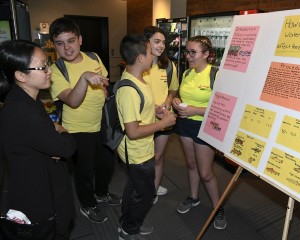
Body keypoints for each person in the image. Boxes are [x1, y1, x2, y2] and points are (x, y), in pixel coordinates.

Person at [0, 40, 76, 239]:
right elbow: (66, 148)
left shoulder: (23, 99)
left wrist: (52, 135)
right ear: (20, 75)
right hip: (36, 196)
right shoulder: (21, 110)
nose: (49, 70)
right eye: (42, 67)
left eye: (48, 64)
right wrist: (61, 129)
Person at [48, 17, 121, 224]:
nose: (67, 47)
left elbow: (104, 83)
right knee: (84, 171)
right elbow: (72, 101)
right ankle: (88, 204)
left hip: (102, 123)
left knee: (107, 164)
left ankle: (101, 193)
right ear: (54, 46)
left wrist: (106, 95)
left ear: (80, 39)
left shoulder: (94, 57)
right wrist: (83, 78)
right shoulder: (56, 71)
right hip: (77, 129)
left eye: (70, 40)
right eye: (60, 43)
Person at [117, 34, 176, 240]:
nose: (154, 55)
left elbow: (141, 114)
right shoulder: (129, 89)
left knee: (134, 189)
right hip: (137, 153)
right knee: (146, 194)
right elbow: (132, 132)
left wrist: (156, 113)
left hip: (143, 149)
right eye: (150, 52)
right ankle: (129, 230)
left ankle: (125, 223)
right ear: (141, 58)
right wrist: (163, 123)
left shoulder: (139, 80)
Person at [172, 36, 227, 230]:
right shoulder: (187, 73)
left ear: (206, 54)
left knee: (205, 172)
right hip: (185, 124)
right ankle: (193, 197)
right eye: (187, 51)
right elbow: (180, 95)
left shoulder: (216, 74)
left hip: (205, 127)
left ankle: (218, 206)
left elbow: (223, 106)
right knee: (191, 164)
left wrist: (196, 110)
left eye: (193, 52)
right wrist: (176, 102)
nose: (188, 56)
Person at [143, 26, 179, 203]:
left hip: (165, 118)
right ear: (146, 43)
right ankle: (147, 185)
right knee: (145, 158)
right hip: (144, 120)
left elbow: (173, 89)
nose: (161, 45)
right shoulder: (139, 64)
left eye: (163, 42)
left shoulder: (169, 65)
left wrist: (168, 99)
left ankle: (154, 189)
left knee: (158, 156)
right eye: (157, 41)